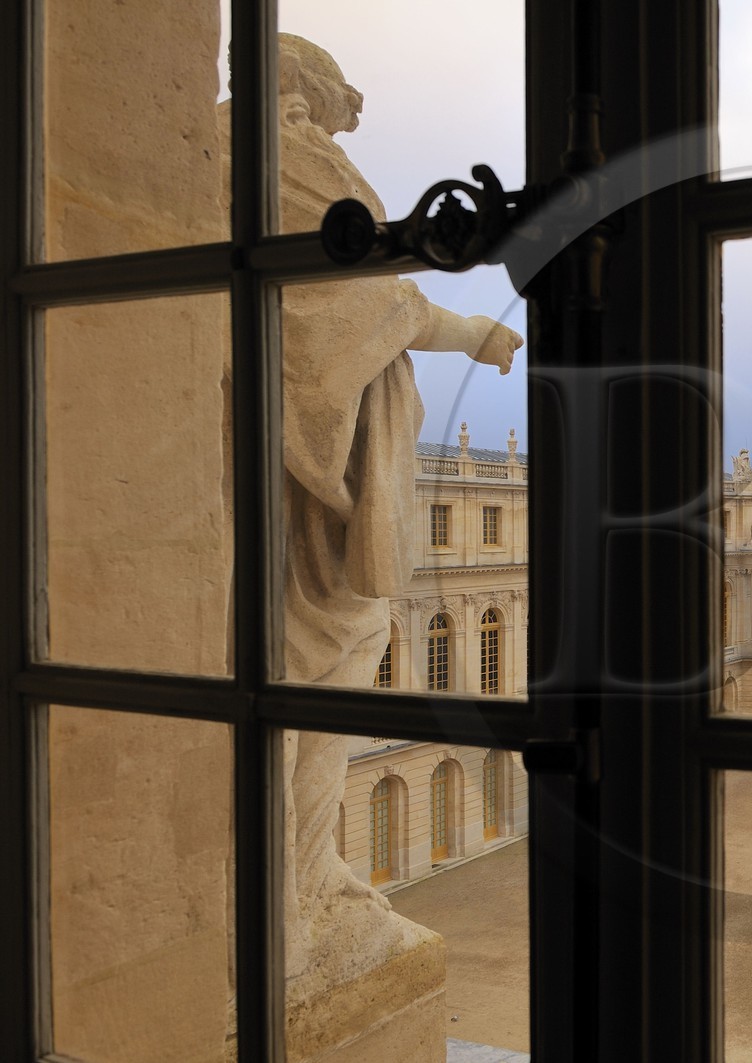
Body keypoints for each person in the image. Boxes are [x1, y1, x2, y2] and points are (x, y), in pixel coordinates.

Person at [245, 33, 524, 1003]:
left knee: (307, 681)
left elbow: (369, 294)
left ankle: (299, 887)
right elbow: (369, 300)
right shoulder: (283, 161)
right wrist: (472, 330)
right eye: (333, 103)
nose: (340, 122)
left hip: (296, 466)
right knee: (314, 682)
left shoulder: (256, 159)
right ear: (306, 98)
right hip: (308, 481)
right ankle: (289, 905)